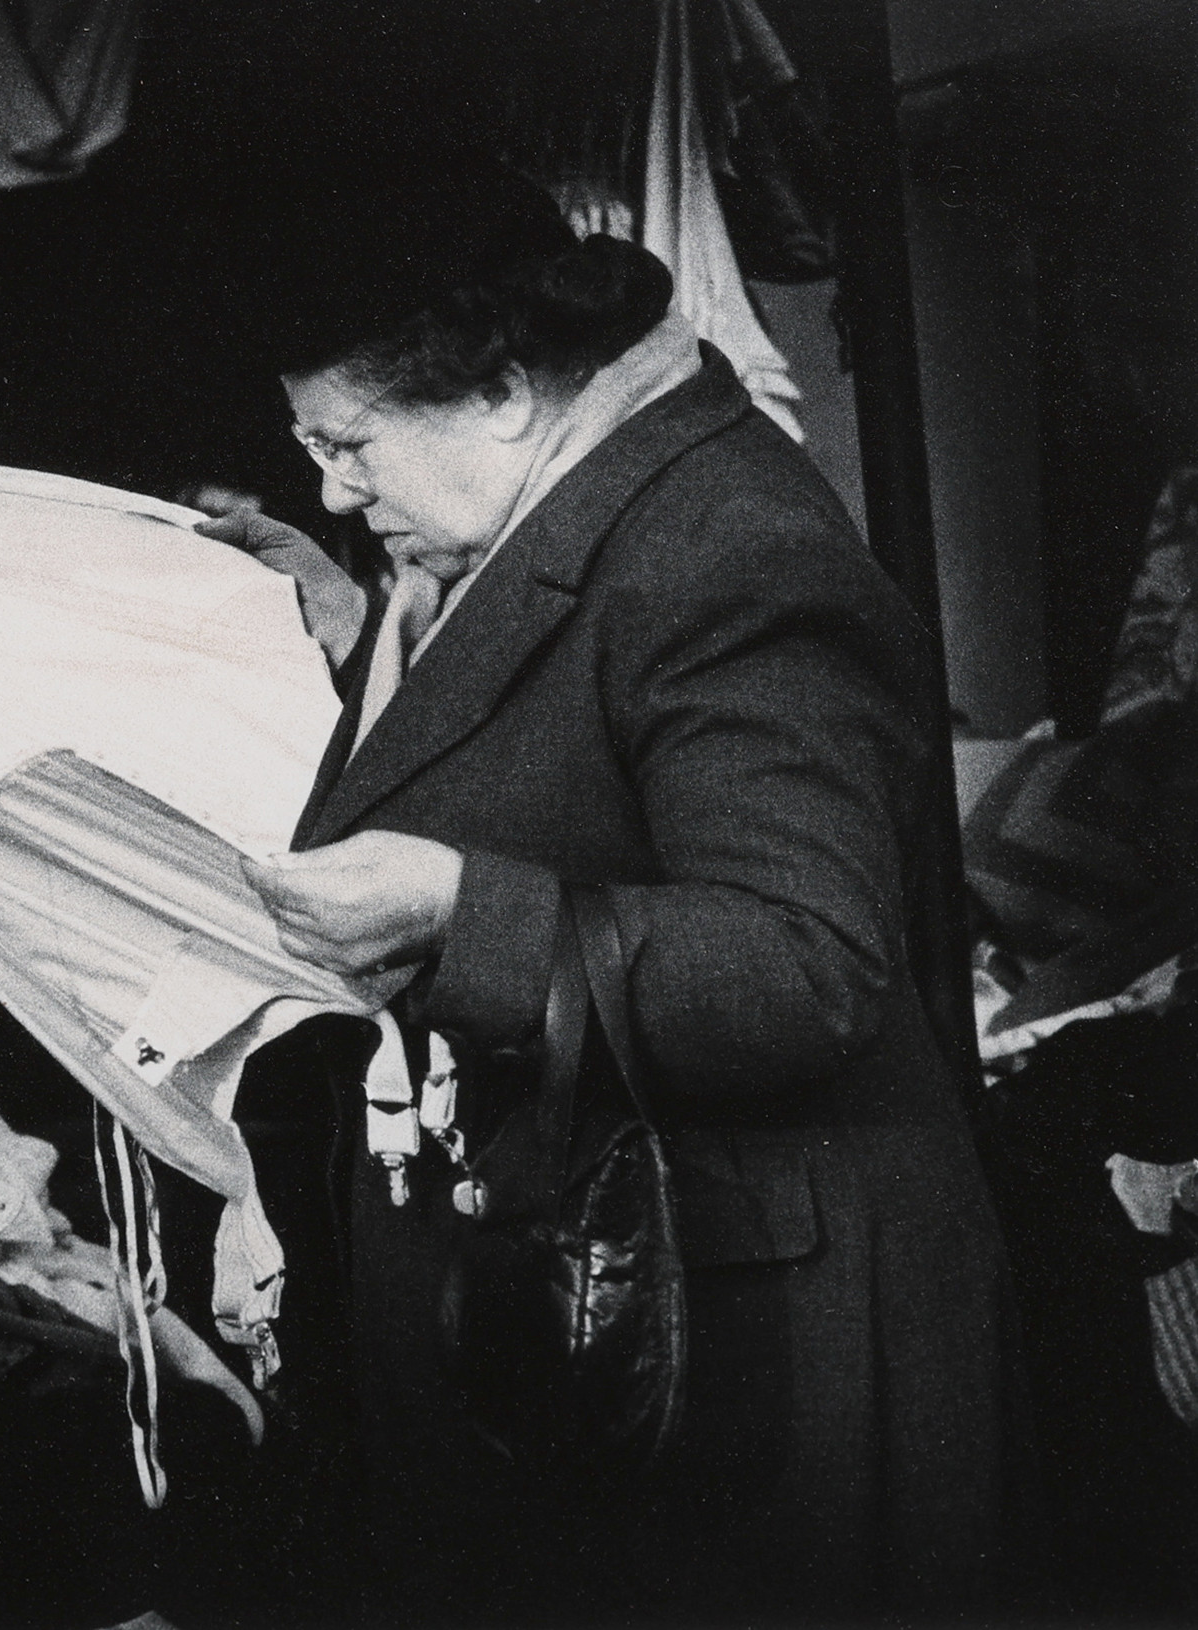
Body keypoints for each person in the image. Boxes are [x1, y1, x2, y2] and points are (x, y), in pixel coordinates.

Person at [192, 156, 1032, 1620]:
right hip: (608, 1313)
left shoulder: (724, 545)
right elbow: (560, 753)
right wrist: (359, 657)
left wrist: (462, 908)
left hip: (744, 1350)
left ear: (506, 389)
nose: (329, 486)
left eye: (348, 443)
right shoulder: (528, 520)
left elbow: (808, 956)